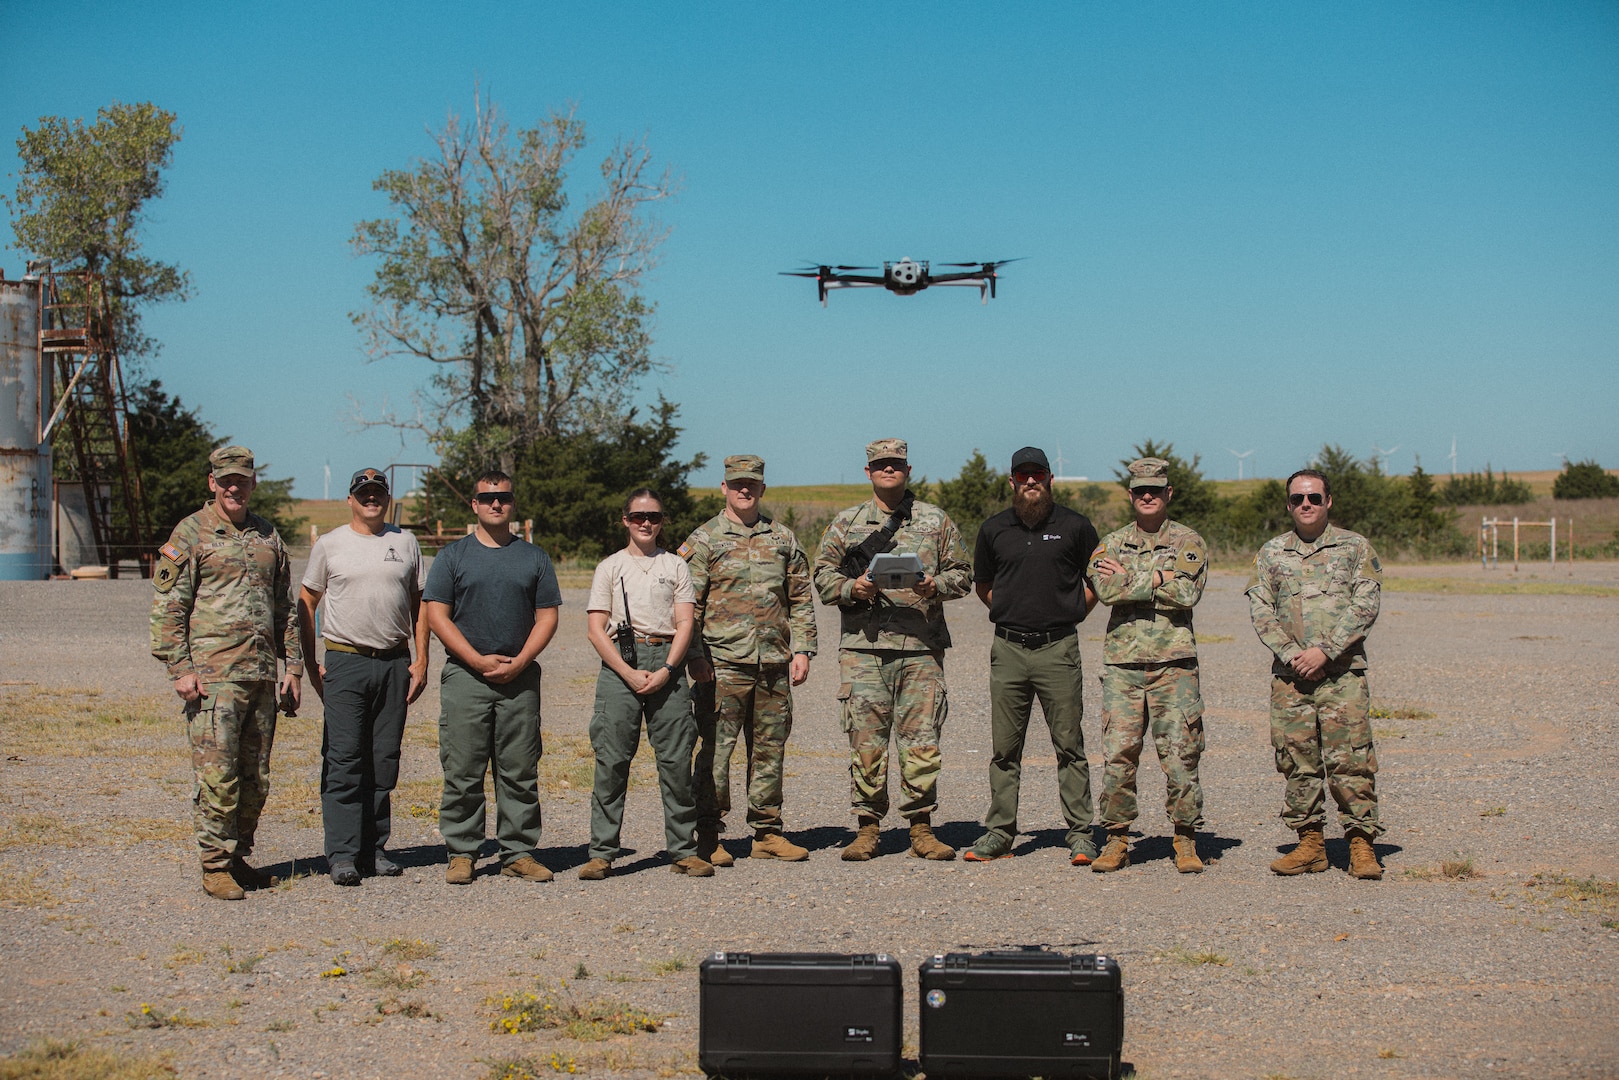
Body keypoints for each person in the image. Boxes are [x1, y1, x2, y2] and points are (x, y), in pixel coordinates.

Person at [150, 445, 303, 901]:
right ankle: (215, 866)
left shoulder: (267, 536)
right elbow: (167, 608)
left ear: (253, 483)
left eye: (243, 479)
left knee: (256, 776)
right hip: (214, 680)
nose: (235, 487)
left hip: (260, 676)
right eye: (226, 480)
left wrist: (292, 668)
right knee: (218, 776)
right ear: (212, 483)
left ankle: (237, 857)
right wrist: (179, 668)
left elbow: (285, 609)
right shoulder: (191, 533)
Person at [813, 438, 973, 862]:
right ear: (868, 471)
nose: (889, 470)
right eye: (880, 465)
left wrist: (932, 585)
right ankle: (867, 828)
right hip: (864, 651)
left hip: (920, 649)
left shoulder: (935, 521)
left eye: (896, 464)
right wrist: (854, 587)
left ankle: (921, 827)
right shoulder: (846, 523)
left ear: (908, 469)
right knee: (866, 742)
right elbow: (822, 578)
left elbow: (963, 574)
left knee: (921, 742)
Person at [422, 471, 562, 885]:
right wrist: (477, 660)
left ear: (512, 503)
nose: (496, 504)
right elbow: (436, 615)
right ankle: (462, 852)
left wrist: (520, 661)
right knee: (463, 768)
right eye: (487, 498)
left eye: (503, 497)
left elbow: (548, 616)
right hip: (467, 677)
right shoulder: (452, 557)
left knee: (518, 769)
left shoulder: (534, 558)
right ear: (474, 505)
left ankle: (518, 852)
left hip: (519, 679)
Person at [678, 454, 818, 864]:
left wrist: (803, 649)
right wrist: (694, 656)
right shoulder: (704, 540)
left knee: (770, 750)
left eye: (752, 483)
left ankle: (767, 832)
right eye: (736, 483)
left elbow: (800, 600)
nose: (744, 489)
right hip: (722, 664)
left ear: (762, 489)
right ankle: (708, 833)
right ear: (723, 487)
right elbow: (689, 605)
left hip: (773, 663)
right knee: (715, 753)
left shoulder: (783, 539)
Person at [1247, 468, 1385, 880]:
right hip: (1291, 678)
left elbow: (1365, 605)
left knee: (1351, 760)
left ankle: (1360, 845)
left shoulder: (1355, 548)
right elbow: (1260, 609)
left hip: (1342, 676)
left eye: (1313, 498)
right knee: (1296, 761)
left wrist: (1324, 651)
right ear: (1288, 504)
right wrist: (1292, 654)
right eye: (1297, 499)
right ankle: (1310, 845)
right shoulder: (1271, 553)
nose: (1305, 505)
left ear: (1329, 501)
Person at [966, 446, 1101, 865]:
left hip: (1058, 649)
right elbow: (983, 584)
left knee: (1070, 747)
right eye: (1022, 476)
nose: (1030, 482)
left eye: (1037, 475)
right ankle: (999, 834)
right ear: (1011, 481)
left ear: (1049, 479)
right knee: (1004, 750)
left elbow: (1097, 578)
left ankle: (1081, 834)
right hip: (1008, 650)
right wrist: (1009, 610)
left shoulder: (1076, 527)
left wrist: (1074, 610)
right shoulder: (993, 530)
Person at [297, 467, 429, 887]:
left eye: (378, 492)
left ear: (386, 498)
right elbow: (307, 601)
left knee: (383, 759)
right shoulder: (331, 544)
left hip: (393, 662)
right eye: (363, 493)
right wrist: (311, 661)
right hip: (345, 661)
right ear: (350, 500)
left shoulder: (405, 542)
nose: (371, 498)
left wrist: (422, 658)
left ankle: (374, 849)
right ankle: (342, 853)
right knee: (344, 759)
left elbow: (419, 601)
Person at [579, 488, 711, 880]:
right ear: (625, 520)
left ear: (662, 521)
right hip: (622, 664)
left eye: (653, 516)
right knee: (612, 760)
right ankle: (602, 853)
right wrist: (626, 671)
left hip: (666, 660)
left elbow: (685, 622)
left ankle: (683, 850)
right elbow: (595, 629)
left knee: (675, 761)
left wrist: (670, 670)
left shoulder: (675, 566)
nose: (646, 523)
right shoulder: (610, 567)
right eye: (638, 516)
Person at [1087, 457, 1209, 874]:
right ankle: (1117, 838)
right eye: (1141, 490)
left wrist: (1133, 578)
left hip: (1174, 665)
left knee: (1180, 755)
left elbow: (1187, 594)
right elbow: (1105, 589)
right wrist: (1160, 576)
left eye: (1155, 489)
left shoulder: (1190, 541)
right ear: (1130, 495)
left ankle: (1186, 838)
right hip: (1123, 666)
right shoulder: (1111, 542)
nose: (1148, 496)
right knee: (1118, 753)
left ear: (1168, 493)